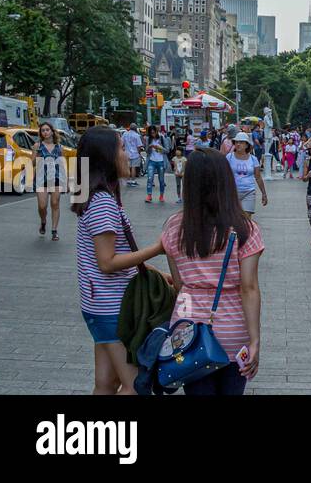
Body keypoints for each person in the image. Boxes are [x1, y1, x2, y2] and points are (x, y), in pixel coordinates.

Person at [161, 148, 264, 395]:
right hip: (232, 328)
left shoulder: (174, 226)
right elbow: (249, 288)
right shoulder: (244, 229)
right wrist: (255, 339)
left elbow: (178, 283)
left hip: (188, 330)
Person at [72, 126, 165, 394]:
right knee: (135, 386)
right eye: (122, 148)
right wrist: (158, 248)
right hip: (111, 307)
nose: (128, 153)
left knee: (107, 383)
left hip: (98, 304)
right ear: (106, 156)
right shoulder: (103, 203)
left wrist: (151, 270)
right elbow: (107, 262)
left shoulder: (93, 196)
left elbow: (108, 257)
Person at [34, 121, 66, 240]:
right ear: (41, 133)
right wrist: (37, 155)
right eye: (43, 130)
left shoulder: (59, 147)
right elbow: (32, 163)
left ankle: (54, 230)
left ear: (52, 131)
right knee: (42, 206)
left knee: (55, 204)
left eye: (47, 130)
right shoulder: (37, 146)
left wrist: (66, 182)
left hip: (56, 178)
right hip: (42, 178)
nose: (45, 132)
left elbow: (62, 165)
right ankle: (43, 221)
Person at [227, 133, 268, 217]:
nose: (238, 144)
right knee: (234, 219)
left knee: (246, 220)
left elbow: (258, 177)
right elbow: (223, 175)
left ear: (247, 145)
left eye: (241, 142)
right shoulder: (229, 157)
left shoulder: (253, 159)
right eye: (236, 142)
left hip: (249, 192)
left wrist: (264, 193)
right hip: (232, 192)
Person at [144, 128, 168, 205]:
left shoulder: (162, 138)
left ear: (156, 132)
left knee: (161, 180)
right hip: (151, 161)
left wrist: (159, 147)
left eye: (154, 132)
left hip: (161, 161)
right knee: (150, 178)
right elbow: (146, 151)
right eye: (151, 133)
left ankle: (161, 195)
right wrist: (150, 147)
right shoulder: (148, 139)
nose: (153, 134)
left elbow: (167, 150)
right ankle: (149, 195)